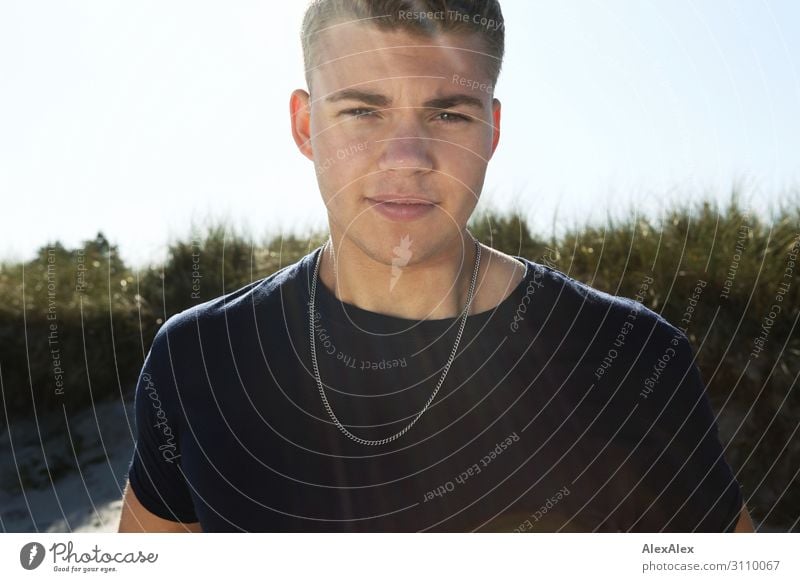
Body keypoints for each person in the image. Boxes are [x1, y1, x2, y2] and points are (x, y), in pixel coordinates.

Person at [118, 0, 754, 533]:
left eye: (449, 113)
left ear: (492, 132)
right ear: (306, 125)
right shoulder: (195, 357)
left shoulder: (633, 355)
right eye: (363, 111)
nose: (407, 157)